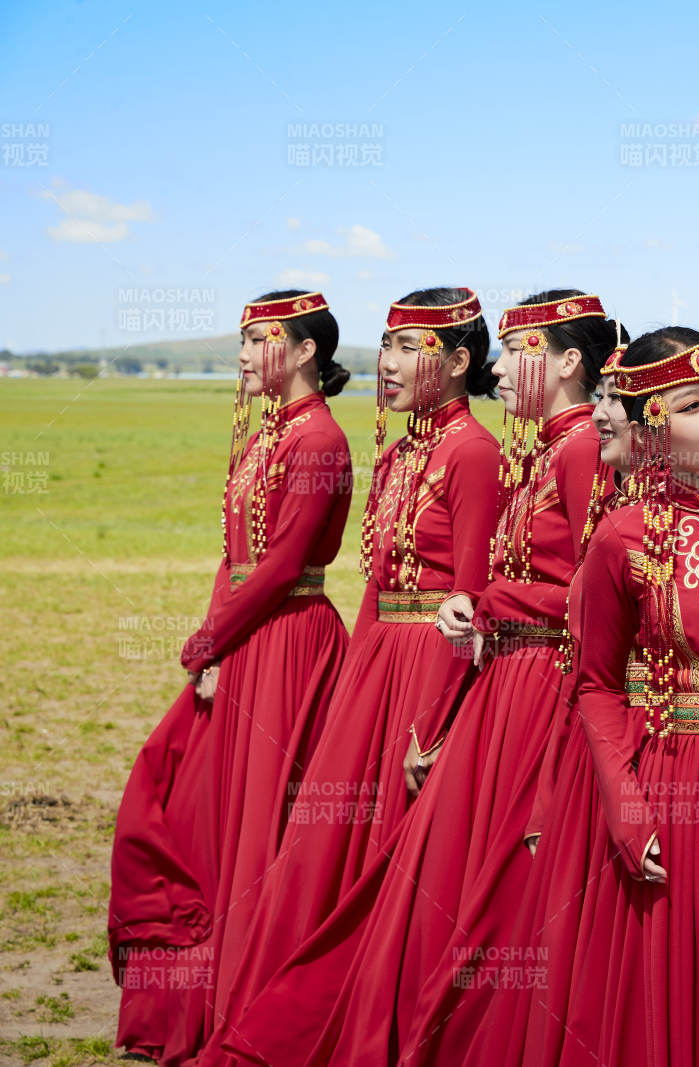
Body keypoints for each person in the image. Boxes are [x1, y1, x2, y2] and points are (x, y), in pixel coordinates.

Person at [404, 328, 699, 1066]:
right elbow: (596, 686)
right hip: (683, 795)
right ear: (652, 433)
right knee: (693, 998)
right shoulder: (620, 539)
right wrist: (624, 805)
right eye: (692, 405)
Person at [211, 292, 624, 1065]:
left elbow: (586, 594)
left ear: (570, 362)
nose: (504, 367)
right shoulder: (512, 451)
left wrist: (474, 638)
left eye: (521, 351)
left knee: (433, 871)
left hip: (500, 676)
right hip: (430, 665)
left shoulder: (543, 451)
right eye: (387, 346)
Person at [206, 288, 501, 1059]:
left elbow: (470, 598)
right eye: (387, 345)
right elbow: (375, 583)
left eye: (408, 348)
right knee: (317, 850)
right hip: (376, 665)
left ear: (459, 361)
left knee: (386, 858)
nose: (387, 363)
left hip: (428, 667)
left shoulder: (474, 452)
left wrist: (435, 721)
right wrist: (350, 690)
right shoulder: (400, 453)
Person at [109, 290, 353, 1064]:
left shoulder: (320, 439)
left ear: (305, 351)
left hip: (288, 643)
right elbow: (237, 557)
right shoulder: (265, 434)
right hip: (246, 637)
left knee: (256, 826)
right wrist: (214, 646)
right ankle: (194, 999)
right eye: (242, 340)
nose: (243, 354)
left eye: (259, 340)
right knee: (190, 803)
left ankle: (245, 1006)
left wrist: (209, 641)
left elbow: (283, 564)